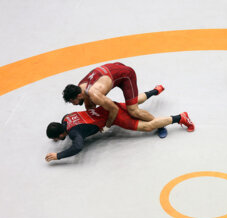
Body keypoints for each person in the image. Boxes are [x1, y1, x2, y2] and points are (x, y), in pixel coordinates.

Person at [45, 90, 195, 162]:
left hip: (114, 117)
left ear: (60, 134)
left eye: (58, 139)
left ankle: (180, 117)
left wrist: (58, 156)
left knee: (148, 127)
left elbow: (77, 147)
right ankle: (156, 90)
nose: (59, 141)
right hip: (108, 107)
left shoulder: (74, 133)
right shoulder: (66, 118)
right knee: (134, 103)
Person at [63, 62, 160, 128]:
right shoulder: (81, 87)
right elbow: (90, 107)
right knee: (132, 101)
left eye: (73, 101)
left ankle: (159, 124)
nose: (74, 104)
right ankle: (156, 90)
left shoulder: (94, 94)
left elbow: (114, 109)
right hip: (114, 68)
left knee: (133, 111)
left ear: (79, 95)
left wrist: (107, 126)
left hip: (126, 75)